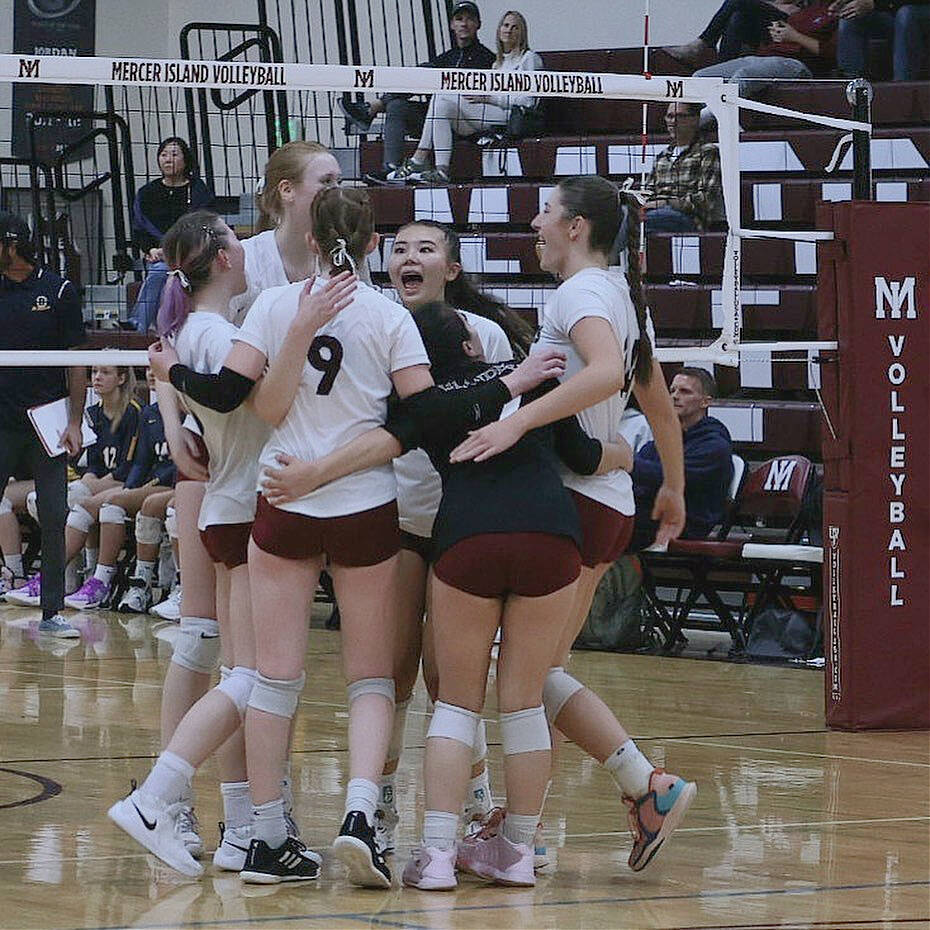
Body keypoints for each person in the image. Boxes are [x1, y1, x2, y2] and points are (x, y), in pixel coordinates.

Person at [164, 187, 430, 887]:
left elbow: (268, 406)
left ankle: (266, 836)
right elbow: (417, 421)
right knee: (369, 678)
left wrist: (300, 331)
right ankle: (360, 818)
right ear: (373, 245)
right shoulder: (390, 316)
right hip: (364, 507)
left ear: (309, 241)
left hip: (281, 501)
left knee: (271, 679)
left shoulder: (275, 306)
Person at [448, 176, 697, 874]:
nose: (534, 221)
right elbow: (656, 403)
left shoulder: (582, 294)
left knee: (524, 682)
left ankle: (531, 830)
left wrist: (519, 420)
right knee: (539, 674)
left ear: (578, 226)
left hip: (579, 501)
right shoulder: (619, 293)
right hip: (605, 499)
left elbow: (609, 374)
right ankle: (634, 787)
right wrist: (671, 487)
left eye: (546, 212)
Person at [0, 210, 86, 638]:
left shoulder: (59, 291)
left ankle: (52, 612)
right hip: (1, 423)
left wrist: (74, 421)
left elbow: (76, 361)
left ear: (12, 246)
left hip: (46, 424)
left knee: (54, 514)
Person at [339, 0, 495, 184]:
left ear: (478, 24)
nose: (464, 23)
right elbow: (423, 80)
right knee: (398, 105)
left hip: (461, 122)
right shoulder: (448, 56)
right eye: (459, 19)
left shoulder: (487, 58)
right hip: (433, 119)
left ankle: (372, 108)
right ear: (452, 25)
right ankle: (391, 169)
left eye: (469, 19)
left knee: (428, 75)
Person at [63, 369, 177, 611]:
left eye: (104, 372)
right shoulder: (150, 414)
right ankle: (74, 578)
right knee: (101, 501)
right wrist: (131, 488)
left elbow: (180, 464)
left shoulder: (148, 411)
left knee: (117, 502)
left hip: (176, 485)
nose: (151, 374)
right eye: (148, 369)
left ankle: (126, 583)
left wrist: (141, 485)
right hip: (150, 484)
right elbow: (141, 462)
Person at [387, 11, 543, 184]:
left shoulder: (529, 58)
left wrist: (489, 99)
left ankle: (418, 159)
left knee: (442, 95)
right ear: (499, 30)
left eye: (515, 27)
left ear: (522, 32)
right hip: (485, 117)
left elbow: (528, 101)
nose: (509, 30)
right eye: (506, 25)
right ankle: (442, 170)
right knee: (441, 106)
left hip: (510, 117)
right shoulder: (497, 63)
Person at [631, 367, 734, 551]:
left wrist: (624, 463)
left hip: (686, 522)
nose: (675, 396)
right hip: (650, 513)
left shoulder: (715, 446)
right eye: (672, 390)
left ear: (705, 402)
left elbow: (670, 477)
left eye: (685, 391)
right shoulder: (664, 439)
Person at [128, 137, 215, 333]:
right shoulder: (147, 193)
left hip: (192, 253)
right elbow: (139, 231)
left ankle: (138, 324)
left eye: (174, 154)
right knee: (159, 269)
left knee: (160, 271)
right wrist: (150, 249)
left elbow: (203, 227)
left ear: (186, 160)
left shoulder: (198, 191)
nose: (168, 159)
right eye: (163, 154)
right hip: (158, 256)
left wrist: (172, 251)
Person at [692, 0, 838, 102]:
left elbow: (832, 54)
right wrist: (779, 33)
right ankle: (701, 117)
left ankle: (703, 121)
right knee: (700, 77)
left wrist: (794, 36)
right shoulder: (806, 9)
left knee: (744, 76)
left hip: (795, 64)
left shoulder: (839, 15)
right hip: (763, 56)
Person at [643, 102, 725, 234]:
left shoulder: (708, 152)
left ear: (695, 119)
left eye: (680, 116)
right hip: (656, 213)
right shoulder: (662, 157)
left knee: (639, 223)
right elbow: (647, 193)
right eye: (670, 116)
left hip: (689, 219)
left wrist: (668, 203)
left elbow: (706, 200)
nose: (673, 122)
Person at [666, 0, 806, 67]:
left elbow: (797, 10)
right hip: (765, 25)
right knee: (737, 18)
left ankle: (703, 44)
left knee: (739, 1)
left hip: (790, 26)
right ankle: (723, 69)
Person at [830, 0, 929, 80]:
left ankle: (902, 89)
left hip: (920, 10)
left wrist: (874, 3)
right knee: (850, 18)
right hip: (891, 13)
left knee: (905, 15)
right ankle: (851, 85)